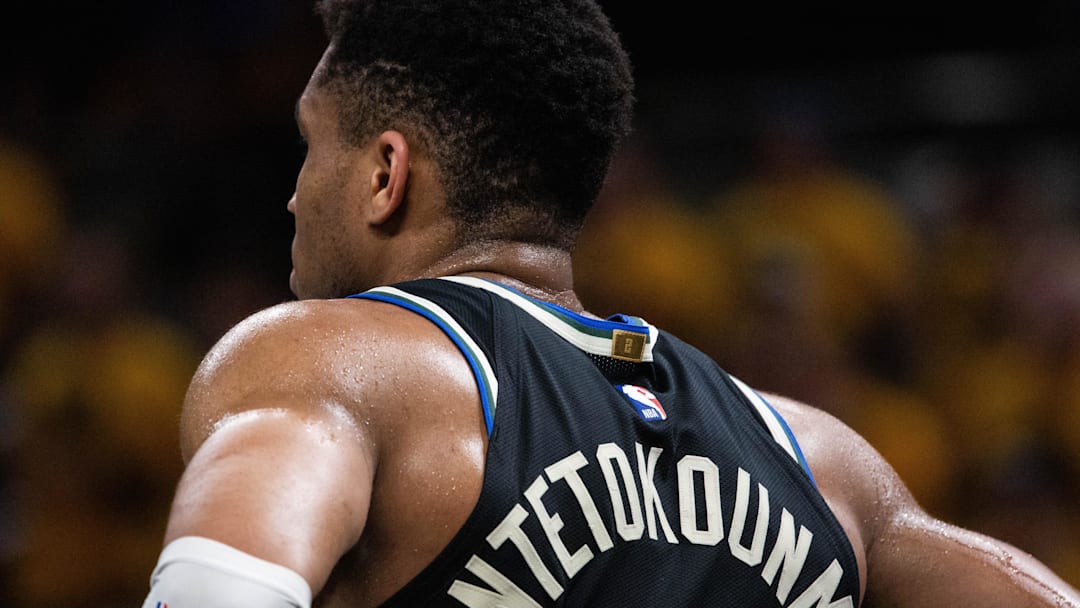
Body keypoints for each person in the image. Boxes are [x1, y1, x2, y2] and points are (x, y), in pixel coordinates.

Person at [142, 1, 1080, 606]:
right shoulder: (822, 464)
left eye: (311, 147)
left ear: (388, 173)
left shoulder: (337, 365)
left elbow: (219, 590)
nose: (295, 194)